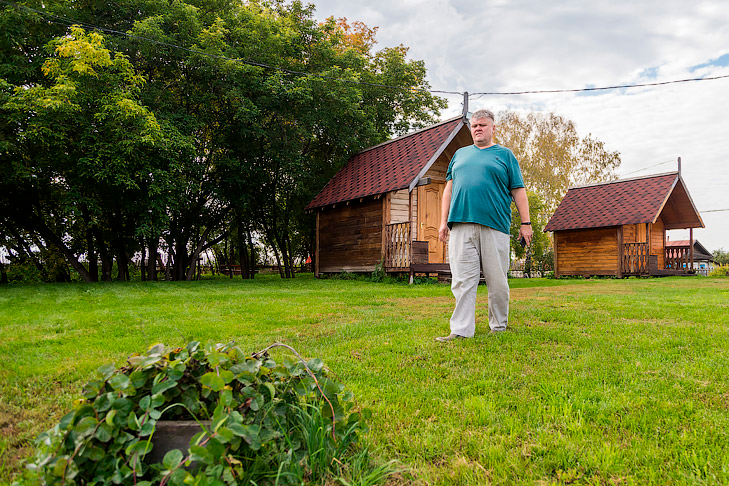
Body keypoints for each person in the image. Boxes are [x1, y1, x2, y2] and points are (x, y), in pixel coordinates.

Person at [436, 109, 532, 342]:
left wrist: (526, 223)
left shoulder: (505, 155)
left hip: (495, 225)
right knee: (462, 280)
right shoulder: (459, 155)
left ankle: (498, 326)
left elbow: (518, 190)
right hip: (460, 225)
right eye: (474, 126)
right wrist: (442, 222)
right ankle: (460, 330)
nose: (478, 128)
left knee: (497, 279)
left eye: (482, 125)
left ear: (493, 128)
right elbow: (448, 190)